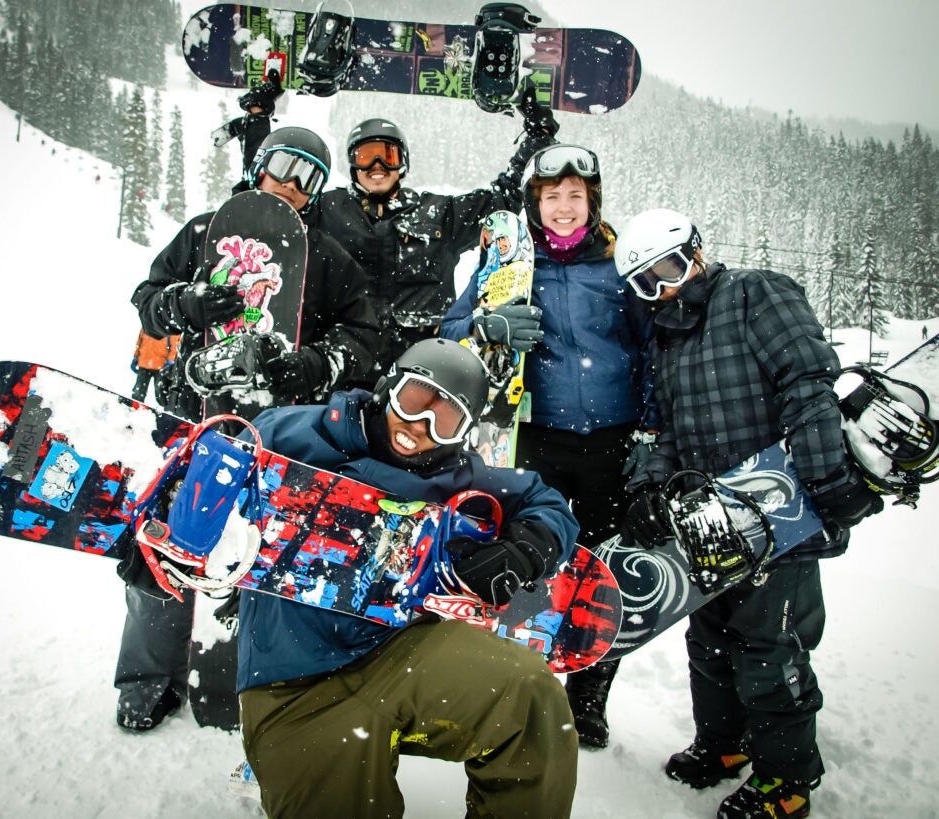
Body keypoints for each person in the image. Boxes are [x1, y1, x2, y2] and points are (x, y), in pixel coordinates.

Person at [613, 208, 884, 819]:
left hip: (783, 510)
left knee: (769, 648)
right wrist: (650, 489)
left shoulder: (754, 293)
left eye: (672, 268)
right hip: (715, 520)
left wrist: (826, 478)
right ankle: (724, 745)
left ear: (697, 253)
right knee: (708, 640)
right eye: (647, 283)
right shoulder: (665, 338)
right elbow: (663, 431)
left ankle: (786, 780)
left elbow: (809, 383)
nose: (666, 288)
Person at [237, 338, 580, 818]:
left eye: (445, 418)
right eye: (414, 399)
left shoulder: (461, 477)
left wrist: (526, 547)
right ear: (386, 388)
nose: (419, 425)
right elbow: (208, 477)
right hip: (293, 679)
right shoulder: (291, 433)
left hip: (399, 657)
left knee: (528, 697)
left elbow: (547, 502)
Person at [114, 126, 380, 731]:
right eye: (284, 167)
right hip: (187, 418)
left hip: (273, 435)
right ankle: (148, 680)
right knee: (162, 543)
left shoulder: (325, 255)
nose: (291, 184)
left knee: (252, 557)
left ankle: (233, 682)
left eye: (309, 176)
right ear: (260, 166)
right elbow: (146, 296)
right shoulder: (206, 231)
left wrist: (313, 364)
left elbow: (366, 334)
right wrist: (185, 303)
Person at [440, 142, 657, 749]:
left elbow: (651, 350)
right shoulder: (510, 263)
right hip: (534, 443)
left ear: (593, 202)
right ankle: (525, 683)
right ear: (535, 204)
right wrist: (488, 323)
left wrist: (650, 432)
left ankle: (588, 698)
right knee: (536, 561)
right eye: (552, 196)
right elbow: (452, 328)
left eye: (576, 197)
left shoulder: (616, 266)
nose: (565, 208)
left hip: (611, 445)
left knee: (603, 571)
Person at [305, 87, 559, 387]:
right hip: (345, 366)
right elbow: (275, 210)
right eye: (365, 157)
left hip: (423, 369)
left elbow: (502, 199)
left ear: (403, 162)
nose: (377, 167)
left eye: (387, 155)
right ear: (352, 165)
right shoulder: (327, 210)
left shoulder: (437, 212)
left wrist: (537, 138)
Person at [226, 70, 285, 194]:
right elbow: (258, 167)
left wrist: (257, 114)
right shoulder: (254, 202)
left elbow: (257, 166)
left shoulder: (251, 200)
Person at [130, 328, 180, 405]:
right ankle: (135, 407)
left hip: (161, 366)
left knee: (160, 394)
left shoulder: (168, 325)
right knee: (139, 390)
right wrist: (136, 356)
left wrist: (170, 361)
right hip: (145, 362)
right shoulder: (147, 322)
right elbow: (140, 340)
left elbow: (175, 345)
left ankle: (164, 409)